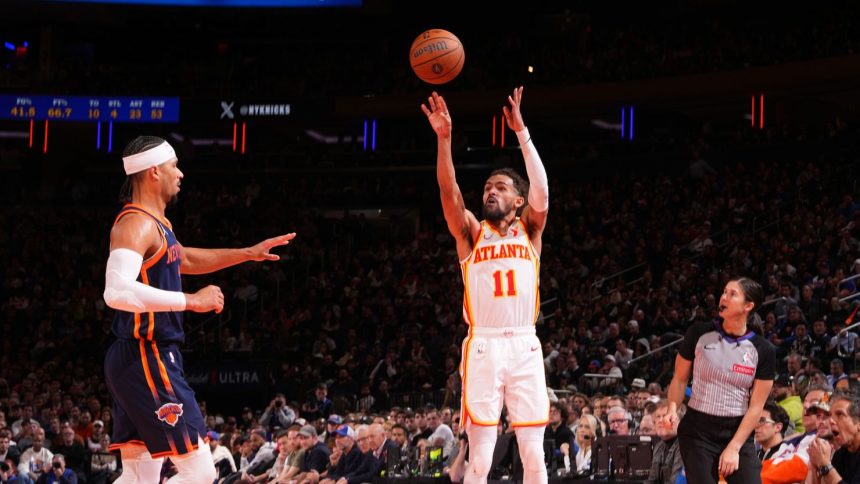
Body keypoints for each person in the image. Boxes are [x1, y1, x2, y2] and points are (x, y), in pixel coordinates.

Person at [102, 136, 296, 483]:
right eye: (174, 165)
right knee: (201, 472)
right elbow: (116, 291)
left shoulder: (159, 224)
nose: (181, 173)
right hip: (148, 355)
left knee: (139, 475)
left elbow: (184, 258)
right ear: (153, 172)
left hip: (134, 357)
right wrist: (191, 301)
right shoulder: (135, 224)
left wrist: (247, 253)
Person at [423, 86, 550, 484]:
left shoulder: (530, 230)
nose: (490, 191)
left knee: (533, 454)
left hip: (525, 344)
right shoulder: (471, 234)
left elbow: (543, 192)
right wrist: (444, 140)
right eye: (487, 188)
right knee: (480, 457)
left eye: (500, 188)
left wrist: (522, 133)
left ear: (518, 201)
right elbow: (448, 192)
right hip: (484, 344)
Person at [667, 277, 776, 483]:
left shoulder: (763, 350)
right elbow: (680, 379)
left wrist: (734, 447)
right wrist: (672, 408)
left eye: (732, 294)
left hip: (737, 431)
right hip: (697, 430)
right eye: (724, 292)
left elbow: (756, 407)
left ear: (748, 306)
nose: (723, 297)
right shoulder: (699, 333)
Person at [807, 391, 860, 483]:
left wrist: (825, 465)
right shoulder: (841, 454)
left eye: (839, 414)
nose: (831, 421)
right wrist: (814, 467)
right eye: (818, 416)